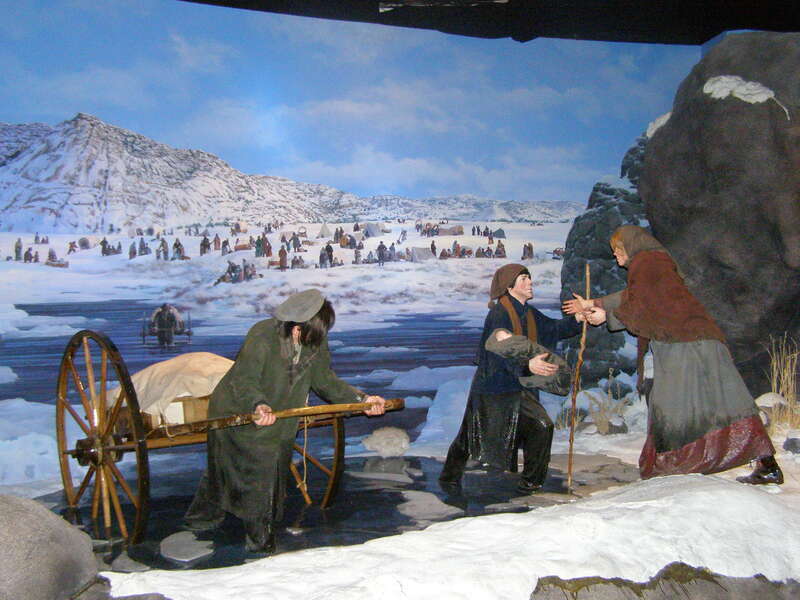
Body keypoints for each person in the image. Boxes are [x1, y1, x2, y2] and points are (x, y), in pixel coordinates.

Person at [562, 225, 782, 484]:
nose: (616, 256)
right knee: (726, 400)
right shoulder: (654, 264)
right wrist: (593, 304)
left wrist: (607, 316)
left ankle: (674, 467)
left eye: (618, 250)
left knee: (672, 406)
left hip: (685, 345)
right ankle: (766, 464)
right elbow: (634, 296)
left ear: (631, 246)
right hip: (696, 340)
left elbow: (643, 303)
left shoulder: (647, 262)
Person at [183, 289, 386, 554]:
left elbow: (325, 380)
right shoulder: (262, 335)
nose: (315, 338)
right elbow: (244, 379)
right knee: (246, 466)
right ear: (296, 325)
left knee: (248, 465)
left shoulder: (314, 339)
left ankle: (203, 515)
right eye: (308, 331)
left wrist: (362, 399)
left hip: (280, 415)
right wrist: (258, 404)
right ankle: (258, 538)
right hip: (238, 408)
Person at [439, 264, 583, 494]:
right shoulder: (499, 313)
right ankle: (449, 478)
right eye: (523, 278)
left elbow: (554, 329)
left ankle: (531, 483)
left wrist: (578, 317)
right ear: (509, 286)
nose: (530, 282)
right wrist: (527, 365)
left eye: (529, 278)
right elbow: (498, 352)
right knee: (470, 436)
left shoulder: (529, 312)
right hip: (494, 387)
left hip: (518, 386)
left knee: (540, 426)